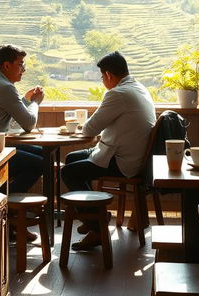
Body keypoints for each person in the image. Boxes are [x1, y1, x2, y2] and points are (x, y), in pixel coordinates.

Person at [61, 51, 156, 250]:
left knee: (68, 172)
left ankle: (97, 225)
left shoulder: (118, 94)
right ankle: (95, 216)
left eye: (102, 77)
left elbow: (89, 129)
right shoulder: (138, 88)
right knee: (71, 159)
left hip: (123, 162)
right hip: (133, 157)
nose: (103, 81)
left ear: (109, 76)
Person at [0, 44, 44, 194]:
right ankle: (4, 200)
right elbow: (29, 123)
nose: (23, 70)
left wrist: (25, 100)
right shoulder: (5, 87)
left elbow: (11, 113)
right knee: (43, 163)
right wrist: (36, 102)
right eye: (20, 65)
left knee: (43, 154)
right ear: (6, 65)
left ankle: (6, 199)